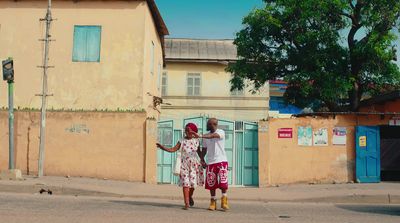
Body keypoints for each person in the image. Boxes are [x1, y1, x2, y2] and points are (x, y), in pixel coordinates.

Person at [156, 123, 204, 210]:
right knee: (185, 184)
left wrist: (203, 161)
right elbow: (173, 149)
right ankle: (186, 204)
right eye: (185, 130)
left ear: (193, 131)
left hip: (194, 165)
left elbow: (199, 152)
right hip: (184, 165)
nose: (186, 132)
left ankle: (190, 197)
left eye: (188, 130)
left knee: (193, 185)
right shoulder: (181, 140)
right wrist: (163, 147)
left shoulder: (196, 140)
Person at [191, 118, 229, 211]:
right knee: (212, 183)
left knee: (223, 182)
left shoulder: (221, 132)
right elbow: (204, 150)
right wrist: (202, 159)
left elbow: (213, 136)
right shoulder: (205, 136)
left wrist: (200, 135)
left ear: (213, 124)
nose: (206, 126)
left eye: (208, 124)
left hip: (221, 160)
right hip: (211, 162)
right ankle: (213, 201)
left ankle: (224, 200)